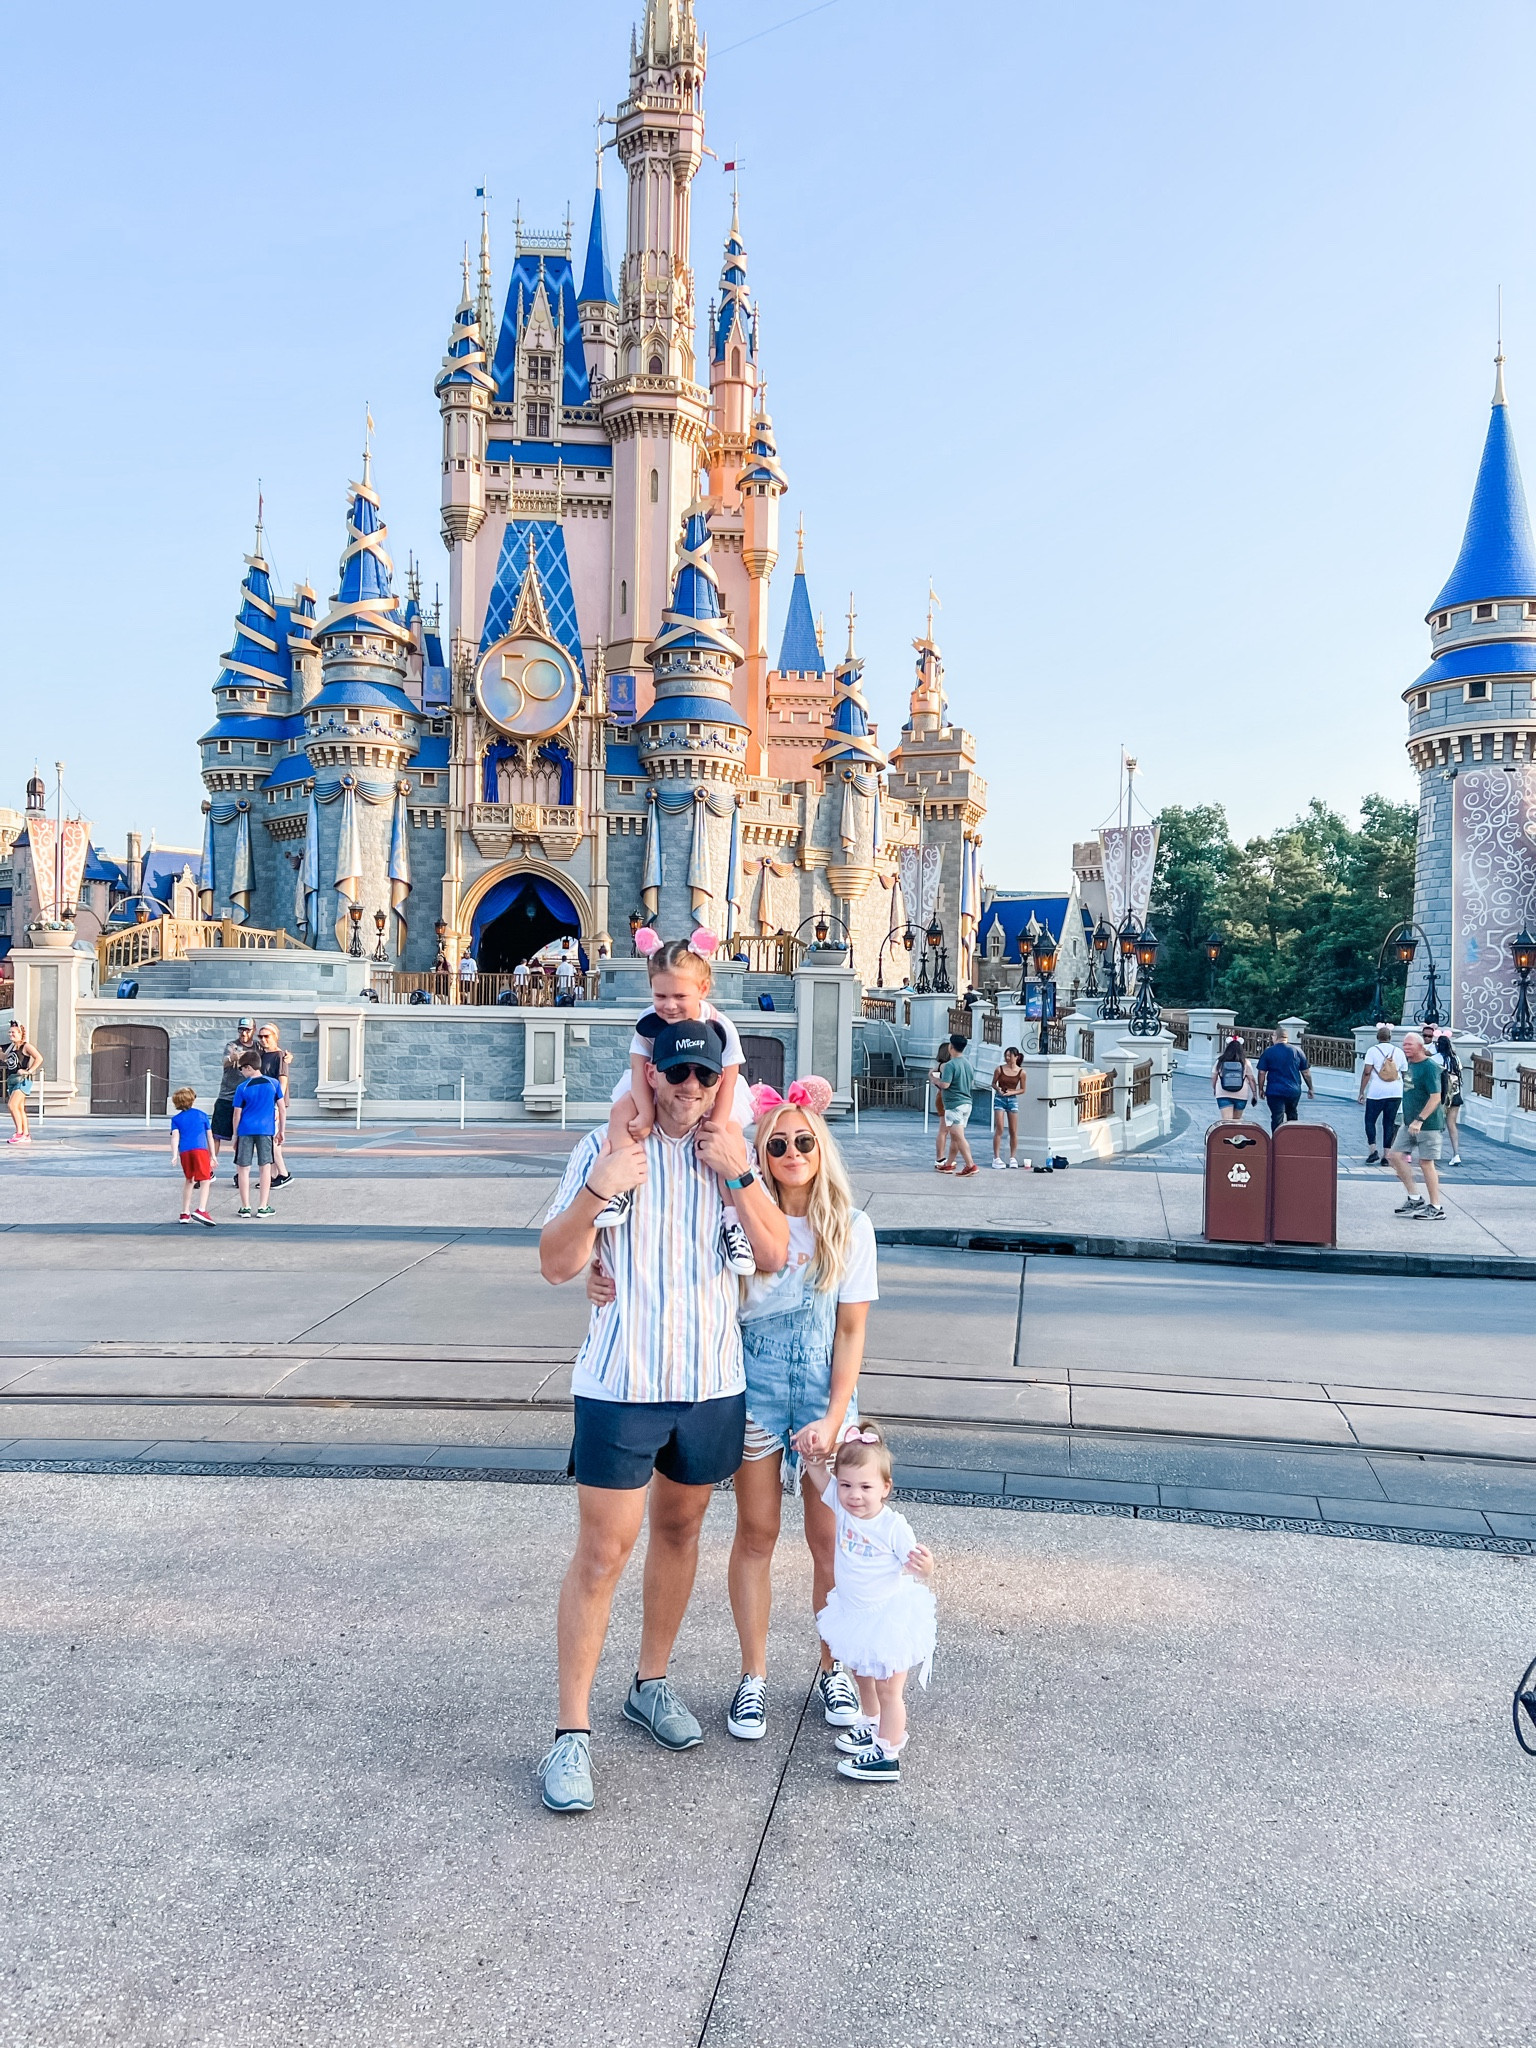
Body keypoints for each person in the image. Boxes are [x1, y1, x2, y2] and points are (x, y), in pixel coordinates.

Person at [536, 1019, 790, 1816]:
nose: (687, 1091)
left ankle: (650, 1683)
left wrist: (743, 1177)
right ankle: (570, 1734)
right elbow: (555, 1262)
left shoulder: (732, 1158)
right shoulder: (608, 1152)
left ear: (720, 1084)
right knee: (604, 1552)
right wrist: (601, 1186)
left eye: (702, 1079)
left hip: (711, 1380)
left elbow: (777, 1256)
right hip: (621, 1383)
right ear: (650, 1078)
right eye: (674, 1076)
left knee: (681, 1532)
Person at [588, 1072, 875, 1740]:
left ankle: (832, 1670)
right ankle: (753, 1677)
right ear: (760, 1155)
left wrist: (835, 1417)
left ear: (821, 1148)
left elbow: (853, 1331)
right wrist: (596, 1273)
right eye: (778, 1145)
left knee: (828, 1542)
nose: (793, 1154)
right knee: (756, 1535)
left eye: (805, 1142)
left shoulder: (851, 1229)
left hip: (824, 1394)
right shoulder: (738, 1212)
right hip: (756, 1389)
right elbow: (671, 1264)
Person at [593, 929, 754, 1274]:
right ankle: (621, 1187)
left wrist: (717, 1124)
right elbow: (639, 1069)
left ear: (703, 989)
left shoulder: (720, 1025)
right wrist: (646, 1113)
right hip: (660, 1078)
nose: (669, 1005)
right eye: (660, 995)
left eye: (679, 995)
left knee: (730, 1136)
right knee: (621, 1111)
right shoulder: (648, 1024)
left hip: (714, 1083)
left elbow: (727, 1077)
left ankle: (732, 1221)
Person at [802, 1421, 936, 1785]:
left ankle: (887, 1754)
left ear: (885, 1488)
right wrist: (813, 1457)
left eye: (865, 1487)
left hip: (887, 1618)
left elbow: (918, 1567)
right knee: (862, 1673)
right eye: (846, 1485)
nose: (854, 1495)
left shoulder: (892, 1527)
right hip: (855, 1613)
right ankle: (872, 1725)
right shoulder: (843, 1507)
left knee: (888, 1688)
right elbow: (819, 1477)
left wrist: (925, 1566)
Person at [1388, 1032, 1445, 1220]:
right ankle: (1414, 1197)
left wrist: (1420, 1119)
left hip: (1427, 1124)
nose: (1406, 1047)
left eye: (1409, 1045)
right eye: (1404, 1044)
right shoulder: (1411, 1064)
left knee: (1426, 1163)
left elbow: (1435, 1097)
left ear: (1421, 1047)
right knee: (1394, 1156)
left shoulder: (1429, 1067)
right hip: (1409, 1122)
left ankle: (1436, 1207)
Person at [231, 1054, 284, 1218]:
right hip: (266, 1130)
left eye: (241, 1068)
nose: (241, 1072)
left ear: (248, 1067)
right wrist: (281, 1130)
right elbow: (282, 1108)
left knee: (243, 1168)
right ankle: (263, 1206)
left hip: (245, 1130)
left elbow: (236, 1114)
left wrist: (235, 1134)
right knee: (265, 1167)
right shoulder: (273, 1083)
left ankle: (245, 1206)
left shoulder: (242, 1087)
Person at [211, 1018, 258, 1165]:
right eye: (241, 1029)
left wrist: (286, 1058)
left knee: (243, 1137)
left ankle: (240, 1172)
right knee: (216, 1134)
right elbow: (225, 1061)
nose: (243, 1033)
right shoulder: (232, 1046)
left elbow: (272, 1052)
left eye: (247, 1030)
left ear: (253, 1030)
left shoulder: (258, 1047)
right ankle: (208, 1168)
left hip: (248, 1100)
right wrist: (234, 1057)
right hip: (227, 1097)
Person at [930, 1033, 978, 1175]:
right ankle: (949, 1163)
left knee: (958, 1136)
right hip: (967, 1102)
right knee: (956, 1136)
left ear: (951, 1047)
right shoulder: (968, 1064)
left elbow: (945, 1084)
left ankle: (970, 1165)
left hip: (953, 1104)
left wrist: (935, 1080)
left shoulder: (950, 1065)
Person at [168, 1086, 216, 1226]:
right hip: (200, 1150)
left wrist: (174, 1155)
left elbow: (175, 1138)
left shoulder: (176, 1119)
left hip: (185, 1152)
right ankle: (201, 1209)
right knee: (205, 1179)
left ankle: (184, 1212)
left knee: (190, 1179)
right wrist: (213, 1155)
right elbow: (209, 1136)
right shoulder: (201, 1115)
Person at [256, 1024, 295, 1189]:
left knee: (274, 1140)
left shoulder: (280, 1056)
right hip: (264, 1103)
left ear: (275, 1037)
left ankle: (283, 1174)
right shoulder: (262, 1054)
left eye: (267, 1036)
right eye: (261, 1037)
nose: (264, 1040)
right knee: (267, 1140)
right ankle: (271, 1176)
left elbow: (282, 1081)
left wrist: (277, 1107)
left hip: (272, 1104)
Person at [1357, 1024, 1404, 1164]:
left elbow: (1367, 1072)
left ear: (1377, 1037)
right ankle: (1387, 1155)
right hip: (1395, 1092)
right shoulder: (1399, 1052)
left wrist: (1361, 1092)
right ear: (1390, 1037)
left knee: (1370, 1121)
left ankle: (1373, 1150)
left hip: (1376, 1092)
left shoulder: (1372, 1051)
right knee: (1389, 1123)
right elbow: (1405, 1072)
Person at [1256, 1026, 1313, 1132]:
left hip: (1274, 1091)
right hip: (1293, 1090)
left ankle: (1277, 1142)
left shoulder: (1269, 1052)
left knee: (1277, 1117)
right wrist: (1310, 1088)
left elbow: (1262, 1073)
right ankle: (1292, 1140)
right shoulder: (1297, 1051)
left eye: (1272, 1036)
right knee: (1292, 1114)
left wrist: (1260, 1089)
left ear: (1276, 1036)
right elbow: (1306, 1073)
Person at [5, 1018, 43, 1144]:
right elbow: (6, 1059)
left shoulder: (26, 1046)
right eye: (9, 1032)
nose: (11, 1035)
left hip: (22, 1080)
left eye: (13, 1032)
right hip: (12, 1079)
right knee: (20, 1108)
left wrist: (29, 1071)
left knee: (12, 1105)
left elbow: (39, 1058)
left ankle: (19, 1132)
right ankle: (25, 1134)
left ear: (20, 1033)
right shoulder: (11, 1047)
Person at [991, 1046, 1026, 1167]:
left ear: (1016, 1057)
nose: (1007, 1058)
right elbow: (993, 1083)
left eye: (1009, 1056)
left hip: (1012, 1099)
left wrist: (1012, 1092)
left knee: (1013, 1130)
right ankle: (996, 1157)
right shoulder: (999, 1069)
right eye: (1006, 1056)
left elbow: (1022, 1089)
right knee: (1000, 1127)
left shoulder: (1021, 1072)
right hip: (1000, 1098)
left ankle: (1012, 1157)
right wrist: (999, 1089)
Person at [1211, 1034, 1257, 1123]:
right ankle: (1236, 1137)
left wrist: (1214, 1088)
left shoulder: (1220, 1061)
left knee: (1226, 1122)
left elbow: (1213, 1077)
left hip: (1223, 1093)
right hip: (1241, 1094)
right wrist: (1254, 1094)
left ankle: (1226, 1137)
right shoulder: (1245, 1062)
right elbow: (1251, 1079)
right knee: (1237, 1122)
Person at [1435, 1031, 1464, 1165]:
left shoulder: (1436, 1059)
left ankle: (1434, 1153)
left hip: (1440, 1095)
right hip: (1455, 1094)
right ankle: (1456, 1153)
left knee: (1436, 1125)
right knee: (1452, 1124)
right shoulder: (1455, 1059)